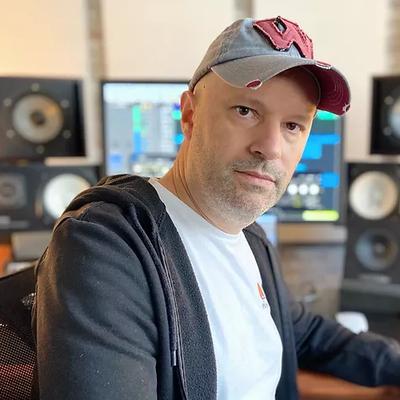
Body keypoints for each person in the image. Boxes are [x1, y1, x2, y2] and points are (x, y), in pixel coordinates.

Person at [33, 16, 400, 400]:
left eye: (293, 125)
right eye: (245, 111)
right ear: (189, 115)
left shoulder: (251, 240)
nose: (270, 147)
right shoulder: (107, 247)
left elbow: (304, 333)